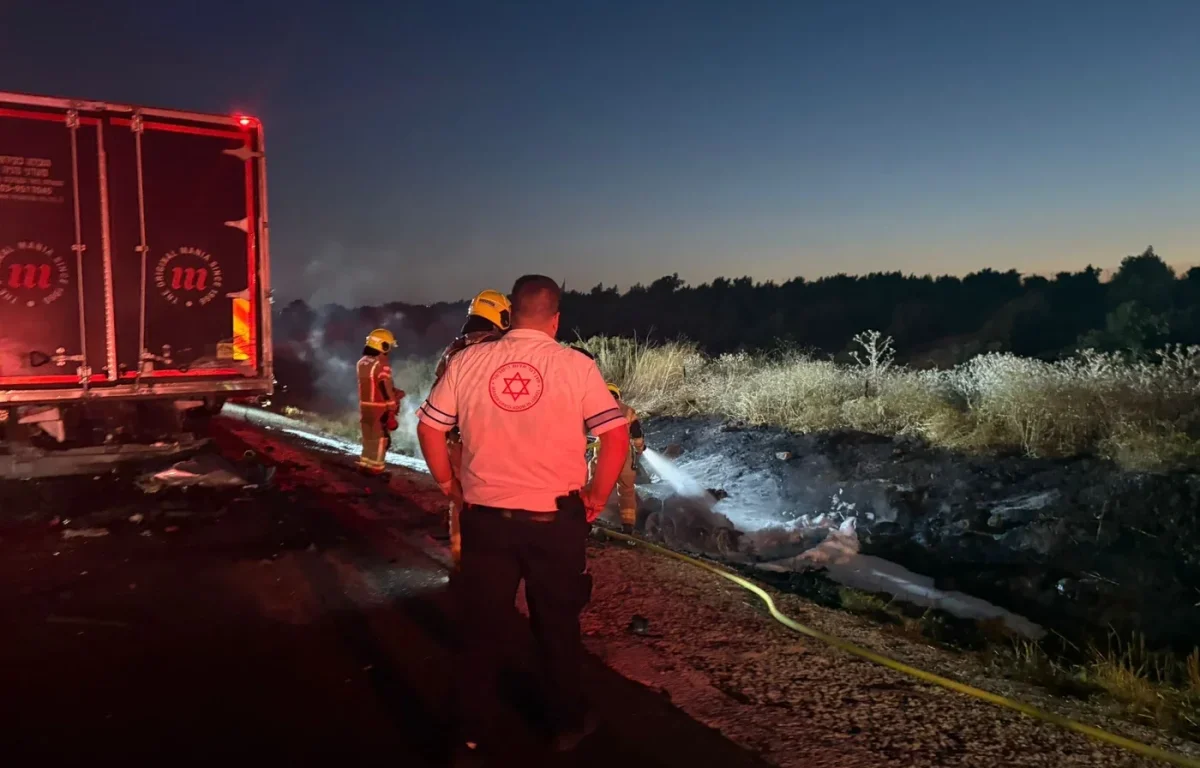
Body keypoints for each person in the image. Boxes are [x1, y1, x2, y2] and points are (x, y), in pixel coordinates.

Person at [416, 275, 630, 762]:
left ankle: (467, 736)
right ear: (556, 319)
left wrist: (449, 483)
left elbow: (430, 427)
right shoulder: (576, 366)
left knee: (480, 628)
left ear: (510, 315)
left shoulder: (468, 361)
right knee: (556, 626)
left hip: (486, 520)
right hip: (555, 522)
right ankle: (565, 723)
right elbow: (615, 438)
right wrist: (596, 496)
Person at [437, 289, 512, 566]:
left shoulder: (453, 351)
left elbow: (438, 403)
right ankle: (494, 566)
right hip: (496, 443)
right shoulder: (501, 350)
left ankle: (461, 562)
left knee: (461, 504)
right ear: (499, 316)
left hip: (457, 442)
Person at [586, 382, 645, 533]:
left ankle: (587, 520)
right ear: (618, 395)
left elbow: (584, 430)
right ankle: (628, 526)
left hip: (604, 455)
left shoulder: (597, 409)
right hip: (625, 457)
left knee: (595, 488)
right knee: (627, 491)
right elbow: (637, 434)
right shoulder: (628, 410)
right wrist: (639, 448)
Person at [356, 327, 404, 474]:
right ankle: (376, 469)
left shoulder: (362, 362)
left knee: (368, 437)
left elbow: (372, 384)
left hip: (365, 406)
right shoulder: (381, 365)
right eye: (388, 346)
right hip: (379, 407)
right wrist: (392, 405)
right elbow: (384, 385)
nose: (389, 351)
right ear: (382, 345)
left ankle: (365, 464)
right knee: (380, 439)